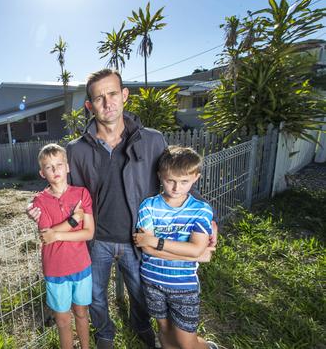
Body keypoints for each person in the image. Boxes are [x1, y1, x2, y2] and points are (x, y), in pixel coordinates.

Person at [27, 68, 217, 349]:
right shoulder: (77, 150)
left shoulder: (152, 139)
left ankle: (141, 327)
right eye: (99, 98)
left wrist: (207, 216)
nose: (107, 102)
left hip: (136, 236)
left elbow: (175, 175)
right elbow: (67, 192)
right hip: (97, 239)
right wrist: (39, 206)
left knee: (140, 292)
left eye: (113, 93)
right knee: (95, 295)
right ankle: (104, 331)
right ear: (90, 105)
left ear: (124, 95)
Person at [132, 146, 218, 349]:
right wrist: (190, 252)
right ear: (160, 176)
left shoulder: (200, 209)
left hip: (183, 285)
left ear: (195, 178)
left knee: (186, 343)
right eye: (170, 180)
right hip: (152, 281)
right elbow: (147, 250)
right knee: (164, 332)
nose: (176, 187)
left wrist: (156, 242)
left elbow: (195, 249)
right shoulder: (149, 206)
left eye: (184, 182)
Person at [32, 143, 95, 349]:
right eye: (49, 167)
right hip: (56, 269)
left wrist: (58, 233)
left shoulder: (81, 194)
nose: (55, 170)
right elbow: (46, 236)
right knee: (63, 320)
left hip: (81, 266)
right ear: (42, 173)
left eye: (59, 164)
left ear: (67, 167)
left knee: (81, 312)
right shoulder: (39, 201)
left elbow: (89, 233)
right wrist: (74, 221)